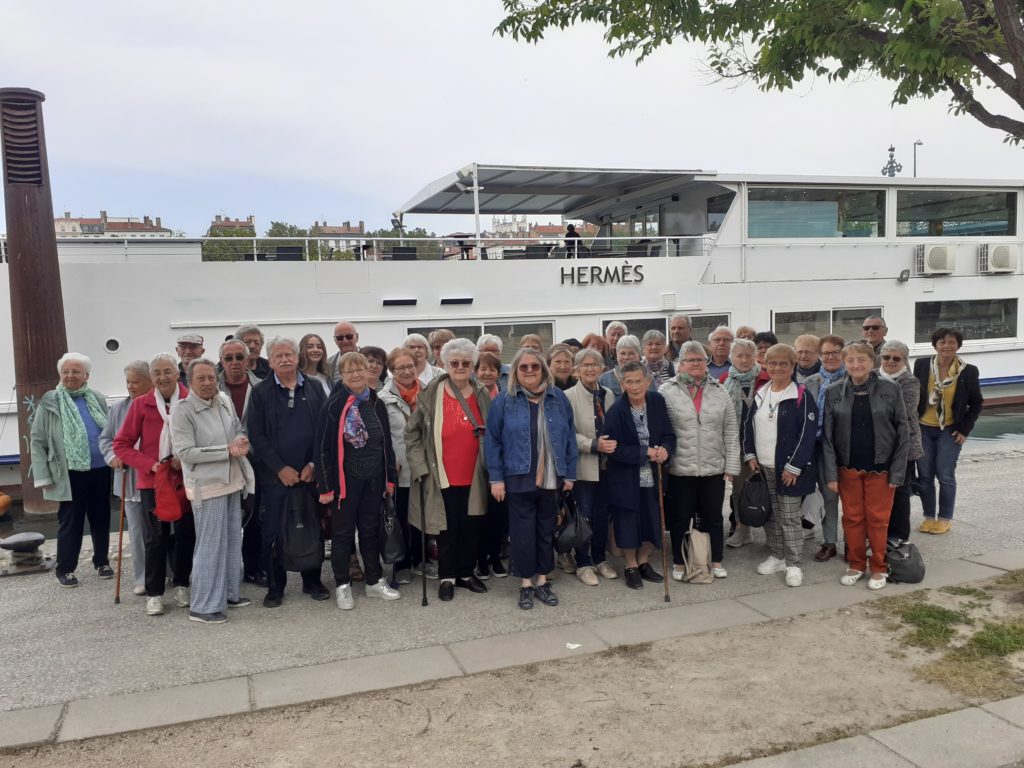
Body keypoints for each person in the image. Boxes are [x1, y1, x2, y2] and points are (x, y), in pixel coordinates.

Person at [485, 348, 578, 610]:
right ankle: (526, 583)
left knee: (545, 532)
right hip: (518, 478)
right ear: (515, 371)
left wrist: (570, 473)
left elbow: (570, 436)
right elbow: (492, 441)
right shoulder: (504, 400)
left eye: (534, 367)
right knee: (523, 534)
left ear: (543, 370)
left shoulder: (558, 397)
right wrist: (496, 479)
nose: (529, 371)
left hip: (552, 477)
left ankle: (542, 580)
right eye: (523, 367)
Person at [406, 339, 492, 601]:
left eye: (466, 363)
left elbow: (493, 432)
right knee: (445, 527)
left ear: (473, 365)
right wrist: (419, 466)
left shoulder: (481, 392)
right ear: (445, 364)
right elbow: (413, 434)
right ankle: (447, 576)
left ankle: (466, 573)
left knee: (471, 525)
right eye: (454, 363)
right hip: (440, 472)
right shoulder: (432, 392)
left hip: (475, 473)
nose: (460, 367)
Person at [170, 358, 254, 623]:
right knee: (210, 546)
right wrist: (226, 450)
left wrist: (241, 441)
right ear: (189, 381)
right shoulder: (182, 410)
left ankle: (229, 593)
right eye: (201, 379)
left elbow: (236, 429)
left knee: (231, 540)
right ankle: (203, 606)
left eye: (211, 378)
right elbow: (185, 452)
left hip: (232, 480)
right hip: (207, 486)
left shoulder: (224, 400)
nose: (208, 383)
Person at [247, 337, 329, 607]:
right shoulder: (260, 393)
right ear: (269, 361)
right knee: (273, 531)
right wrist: (279, 468)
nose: (284, 359)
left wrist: (314, 464)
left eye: (288, 355)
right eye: (278, 355)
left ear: (297, 357)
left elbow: (324, 432)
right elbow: (256, 436)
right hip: (275, 477)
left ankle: (312, 581)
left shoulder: (315, 387)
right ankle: (275, 585)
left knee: (312, 527)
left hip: (309, 475)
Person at [316, 351, 401, 610]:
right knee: (342, 535)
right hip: (345, 482)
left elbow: (386, 442)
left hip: (373, 479)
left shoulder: (375, 402)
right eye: (349, 371)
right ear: (341, 375)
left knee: (369, 531)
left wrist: (389, 478)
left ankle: (374, 580)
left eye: (360, 369)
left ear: (369, 371)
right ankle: (342, 585)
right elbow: (322, 449)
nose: (356, 374)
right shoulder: (333, 405)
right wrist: (327, 487)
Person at [823, 340, 909, 590]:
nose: (856, 364)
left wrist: (897, 471)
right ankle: (856, 564)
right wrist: (831, 473)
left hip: (881, 467)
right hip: (847, 467)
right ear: (844, 363)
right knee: (852, 518)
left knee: (878, 520)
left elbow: (904, 431)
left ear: (872, 362)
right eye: (850, 360)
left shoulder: (890, 389)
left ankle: (879, 567)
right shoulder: (833, 391)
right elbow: (828, 438)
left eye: (861, 359)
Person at [113, 353, 195, 615]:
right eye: (157, 373)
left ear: (177, 373)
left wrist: (184, 458)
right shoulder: (141, 405)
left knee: (186, 534)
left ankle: (182, 583)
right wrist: (150, 464)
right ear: (152, 377)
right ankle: (154, 592)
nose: (163, 377)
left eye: (167, 371)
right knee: (155, 538)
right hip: (152, 481)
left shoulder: (190, 400)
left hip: (186, 479)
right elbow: (122, 445)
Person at [31, 353, 112, 588]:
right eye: (65, 371)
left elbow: (108, 431)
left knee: (101, 517)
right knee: (71, 521)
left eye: (75, 371)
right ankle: (65, 568)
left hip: (100, 468)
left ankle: (102, 561)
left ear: (86, 375)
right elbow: (37, 441)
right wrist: (43, 476)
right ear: (60, 375)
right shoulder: (50, 401)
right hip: (69, 472)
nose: (70, 376)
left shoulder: (96, 398)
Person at [661, 341, 739, 580]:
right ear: (680, 364)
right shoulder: (666, 391)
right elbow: (661, 429)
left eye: (700, 359)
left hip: (712, 466)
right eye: (690, 360)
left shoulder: (720, 390)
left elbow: (730, 429)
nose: (696, 364)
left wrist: (732, 465)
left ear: (707, 363)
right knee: (680, 517)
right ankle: (679, 561)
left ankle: (715, 560)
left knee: (713, 515)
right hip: (680, 467)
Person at [742, 344, 818, 588]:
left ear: (792, 366)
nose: (776, 368)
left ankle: (793, 562)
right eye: (772, 363)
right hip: (762, 466)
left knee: (789, 517)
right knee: (770, 514)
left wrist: (794, 466)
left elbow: (807, 435)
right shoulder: (761, 391)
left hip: (788, 469)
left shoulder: (801, 395)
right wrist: (750, 454)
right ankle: (777, 555)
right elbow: (748, 426)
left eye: (783, 363)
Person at [605, 361, 674, 589]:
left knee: (651, 518)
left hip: (654, 474)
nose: (634, 386)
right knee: (627, 521)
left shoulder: (656, 401)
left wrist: (665, 449)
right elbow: (614, 449)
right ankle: (631, 565)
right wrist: (645, 451)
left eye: (638, 381)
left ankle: (644, 562)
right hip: (627, 476)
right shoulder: (616, 411)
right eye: (629, 382)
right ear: (622, 384)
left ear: (647, 381)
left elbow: (668, 434)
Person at [913, 327, 983, 534]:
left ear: (958, 346)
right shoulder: (922, 364)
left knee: (945, 475)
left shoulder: (968, 371)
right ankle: (928, 517)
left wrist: (964, 430)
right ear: (935, 345)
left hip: (949, 430)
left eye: (951, 342)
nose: (946, 346)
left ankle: (944, 518)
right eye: (942, 342)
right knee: (924, 475)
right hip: (923, 428)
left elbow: (976, 403)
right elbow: (914, 394)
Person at [99, 360, 152, 597]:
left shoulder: (158, 405)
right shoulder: (119, 408)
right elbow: (106, 439)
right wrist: (112, 457)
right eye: (128, 382)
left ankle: (170, 572)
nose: (130, 386)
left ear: (149, 381)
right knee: (138, 532)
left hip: (158, 479)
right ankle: (142, 577)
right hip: (130, 481)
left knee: (165, 530)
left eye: (135, 381)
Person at [566, 348, 617, 585]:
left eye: (594, 365)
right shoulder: (567, 396)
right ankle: (583, 562)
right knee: (583, 516)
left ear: (601, 368)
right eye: (584, 365)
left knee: (601, 515)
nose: (590, 369)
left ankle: (599, 558)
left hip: (607, 467)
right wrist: (592, 444)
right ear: (576, 370)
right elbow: (566, 434)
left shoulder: (607, 394)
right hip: (584, 466)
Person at [218, 338, 263, 585]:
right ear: (222, 362)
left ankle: (253, 567)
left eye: (239, 357)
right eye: (228, 358)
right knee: (226, 516)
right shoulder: (211, 387)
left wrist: (247, 446)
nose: (234, 363)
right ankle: (226, 570)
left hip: (254, 459)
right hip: (221, 461)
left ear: (248, 360)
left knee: (255, 517)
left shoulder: (261, 387)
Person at [379, 347, 426, 583]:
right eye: (400, 367)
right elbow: (381, 436)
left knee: (422, 516)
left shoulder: (428, 393)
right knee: (400, 515)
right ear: (391, 370)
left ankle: (420, 560)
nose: (407, 371)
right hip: (399, 466)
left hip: (424, 466)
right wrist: (389, 461)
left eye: (410, 366)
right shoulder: (382, 398)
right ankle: (402, 563)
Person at [719, 338, 769, 549]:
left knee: (768, 489)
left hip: (764, 443)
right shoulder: (723, 380)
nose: (744, 359)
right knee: (740, 490)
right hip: (737, 444)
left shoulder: (767, 378)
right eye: (739, 355)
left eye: (749, 355)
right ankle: (742, 530)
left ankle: (772, 532)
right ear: (732, 357)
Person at [801, 334, 847, 562]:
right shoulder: (810, 383)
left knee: (851, 499)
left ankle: (854, 542)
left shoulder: (853, 379)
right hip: (816, 448)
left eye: (835, 352)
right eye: (825, 353)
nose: (830, 357)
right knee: (828, 496)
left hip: (845, 449)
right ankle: (829, 542)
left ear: (844, 354)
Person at [879, 340, 923, 543]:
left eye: (896, 358)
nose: (890, 361)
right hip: (878, 445)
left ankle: (899, 535)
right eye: (886, 357)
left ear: (904, 360)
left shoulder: (909, 381)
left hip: (903, 445)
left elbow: (902, 413)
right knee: (880, 491)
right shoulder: (873, 376)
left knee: (900, 490)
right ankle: (881, 533)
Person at [473, 350, 508, 577]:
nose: (487, 373)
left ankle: (495, 557)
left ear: (498, 373)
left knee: (498, 514)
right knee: (479, 515)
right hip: (475, 463)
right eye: (482, 368)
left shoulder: (505, 396)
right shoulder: (470, 396)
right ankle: (480, 559)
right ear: (476, 372)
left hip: (501, 463)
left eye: (491, 369)